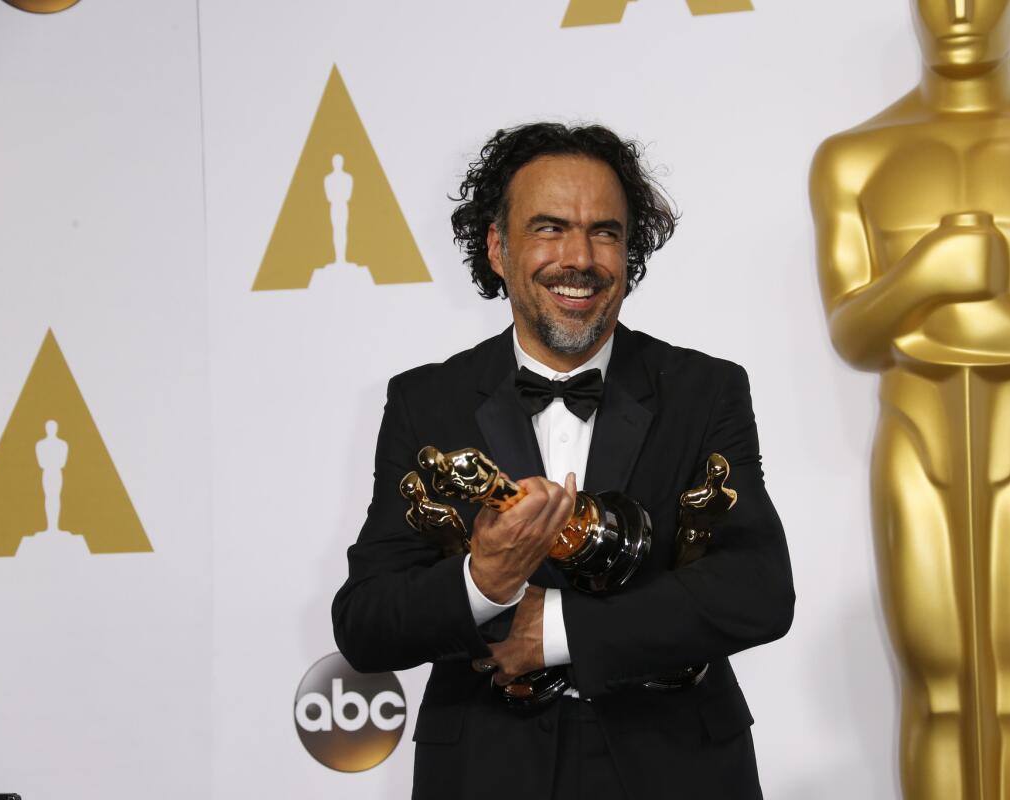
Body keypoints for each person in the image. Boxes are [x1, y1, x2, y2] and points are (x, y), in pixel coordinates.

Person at [333, 122, 794, 799]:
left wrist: (557, 628)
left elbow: (757, 590)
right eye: (549, 228)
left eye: (605, 232)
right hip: (487, 770)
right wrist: (480, 582)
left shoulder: (705, 390)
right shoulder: (424, 402)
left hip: (676, 768)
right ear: (497, 247)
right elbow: (366, 624)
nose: (579, 257)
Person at [809, 0, 1010, 796]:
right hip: (915, 443)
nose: (959, 11)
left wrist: (937, 325)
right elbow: (853, 334)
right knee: (936, 692)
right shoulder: (852, 159)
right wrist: (931, 273)